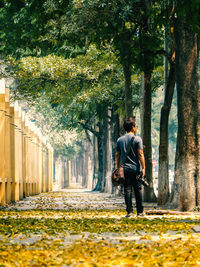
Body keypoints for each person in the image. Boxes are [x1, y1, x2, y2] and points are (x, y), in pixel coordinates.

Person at [116, 117, 145, 217]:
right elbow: (140, 154)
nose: (136, 128)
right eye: (136, 126)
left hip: (125, 169)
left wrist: (118, 168)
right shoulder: (137, 139)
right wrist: (144, 168)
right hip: (135, 168)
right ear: (133, 127)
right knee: (137, 190)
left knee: (127, 190)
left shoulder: (120, 140)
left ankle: (130, 212)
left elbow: (117, 155)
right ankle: (140, 212)